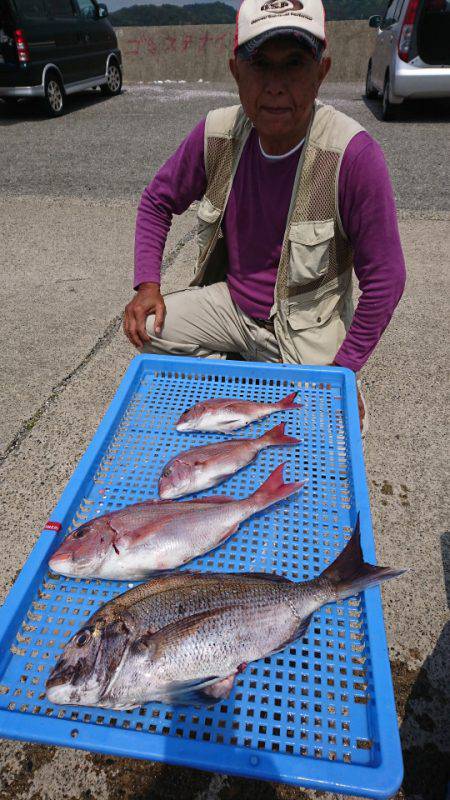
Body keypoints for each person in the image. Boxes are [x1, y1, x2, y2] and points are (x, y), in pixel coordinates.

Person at [123, 0, 406, 433]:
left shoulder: (352, 155)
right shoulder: (216, 133)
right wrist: (148, 285)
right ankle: (241, 377)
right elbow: (156, 201)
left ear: (322, 71)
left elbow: (386, 279)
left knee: (333, 430)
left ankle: (309, 384)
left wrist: (344, 370)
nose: (275, 85)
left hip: (306, 326)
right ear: (236, 71)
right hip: (233, 308)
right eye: (259, 64)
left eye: (294, 64)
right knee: (148, 328)